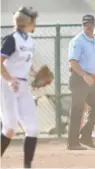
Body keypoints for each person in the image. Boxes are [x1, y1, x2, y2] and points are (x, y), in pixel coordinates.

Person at [1, 7, 39, 168]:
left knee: (33, 128)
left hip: (23, 86)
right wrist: (9, 79)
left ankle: (27, 166)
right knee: (10, 127)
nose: (34, 24)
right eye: (33, 21)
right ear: (27, 22)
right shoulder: (11, 39)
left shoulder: (30, 41)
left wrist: (35, 74)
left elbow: (25, 63)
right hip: (7, 85)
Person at [67, 14, 95, 150]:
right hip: (79, 77)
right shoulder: (77, 41)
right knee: (77, 110)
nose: (87, 26)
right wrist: (83, 75)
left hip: (89, 78)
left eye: (90, 24)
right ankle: (72, 143)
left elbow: (94, 63)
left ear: (94, 25)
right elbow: (72, 61)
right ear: (82, 25)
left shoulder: (94, 41)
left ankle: (86, 135)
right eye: (85, 24)